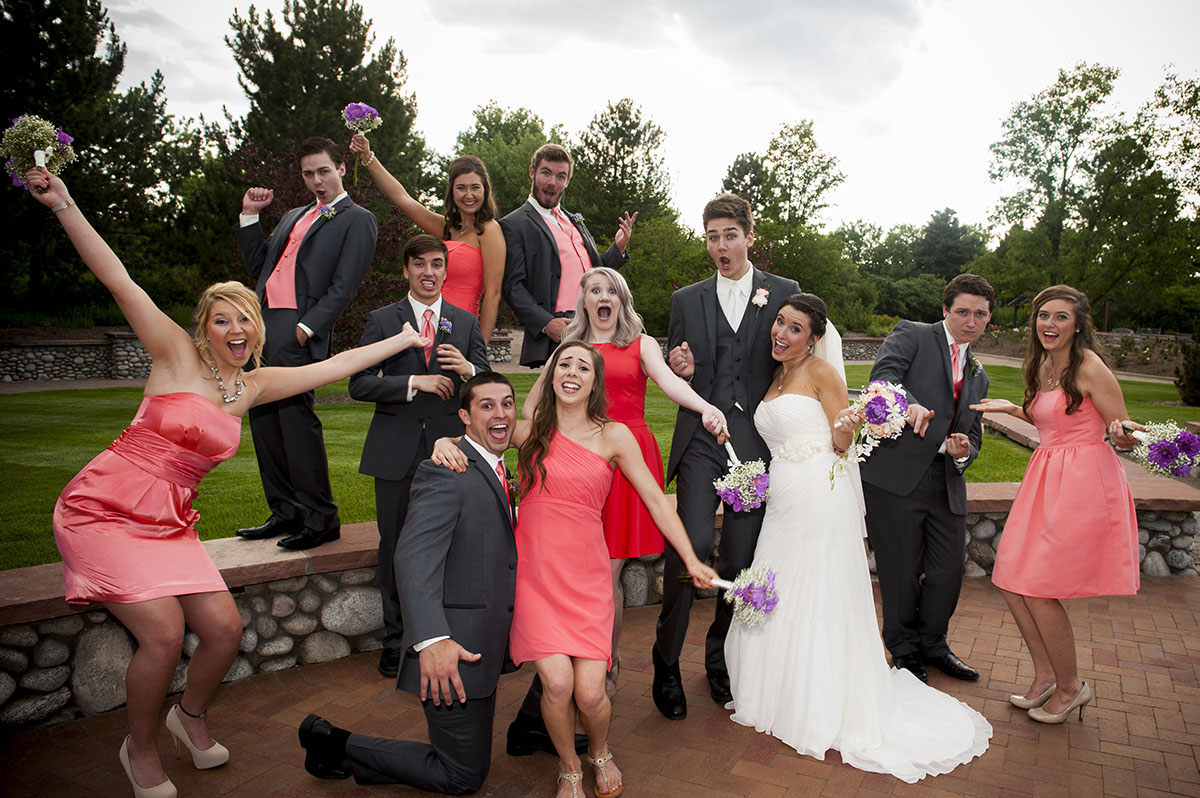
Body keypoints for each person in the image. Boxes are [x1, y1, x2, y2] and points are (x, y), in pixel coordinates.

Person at [27, 167, 426, 798]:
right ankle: (140, 750)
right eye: (221, 320)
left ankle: (188, 719)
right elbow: (117, 278)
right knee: (161, 636)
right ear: (203, 327)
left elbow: (335, 362)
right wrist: (65, 204)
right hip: (102, 510)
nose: (235, 329)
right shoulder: (173, 356)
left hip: (167, 525)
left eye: (245, 318)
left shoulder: (252, 386)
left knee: (223, 631)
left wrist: (401, 338)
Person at [724, 293, 992, 783]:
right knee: (782, 584)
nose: (781, 333)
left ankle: (818, 698)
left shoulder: (822, 375)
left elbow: (840, 443)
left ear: (815, 338)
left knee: (816, 591)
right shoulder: (778, 374)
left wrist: (849, 425)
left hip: (817, 496)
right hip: (783, 497)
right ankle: (776, 690)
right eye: (779, 322)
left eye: (795, 328)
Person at [433, 341, 718, 798]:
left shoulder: (615, 437)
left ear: (593, 380)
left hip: (587, 576)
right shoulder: (529, 432)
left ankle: (600, 751)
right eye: (563, 363)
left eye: (582, 366)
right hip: (535, 576)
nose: (571, 372)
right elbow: (475, 434)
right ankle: (569, 766)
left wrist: (690, 557)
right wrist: (442, 441)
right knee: (558, 683)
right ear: (551, 375)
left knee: (590, 693)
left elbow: (657, 502)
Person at [296, 373, 522, 794]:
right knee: (462, 777)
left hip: (486, 643)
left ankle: (532, 729)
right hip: (452, 648)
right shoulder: (446, 471)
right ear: (464, 418)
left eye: (507, 403)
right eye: (486, 405)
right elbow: (412, 556)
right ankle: (333, 742)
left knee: (468, 759)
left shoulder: (499, 466)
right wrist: (432, 639)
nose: (500, 413)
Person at [654, 193, 822, 721]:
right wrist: (677, 363)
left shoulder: (785, 293)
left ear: (750, 236)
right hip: (702, 440)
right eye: (712, 237)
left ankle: (720, 660)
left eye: (730, 235)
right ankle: (665, 666)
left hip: (756, 444)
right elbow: (676, 369)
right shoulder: (686, 299)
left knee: (742, 561)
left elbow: (804, 355)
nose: (721, 246)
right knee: (693, 548)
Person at [522, 267, 727, 693]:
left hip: (626, 461)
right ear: (583, 300)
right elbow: (531, 408)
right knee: (581, 567)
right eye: (594, 290)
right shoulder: (570, 347)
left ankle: (604, 661)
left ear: (621, 300)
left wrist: (706, 408)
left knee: (607, 570)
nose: (603, 297)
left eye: (611, 291)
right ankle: (570, 651)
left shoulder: (641, 344)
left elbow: (671, 384)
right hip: (579, 463)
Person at [972, 285, 1140, 724]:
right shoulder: (1044, 363)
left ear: (1079, 324)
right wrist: (1012, 407)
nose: (1049, 324)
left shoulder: (1089, 366)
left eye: (1061, 317)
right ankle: (1046, 674)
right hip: (1045, 477)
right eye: (1043, 315)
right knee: (1010, 577)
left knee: (1040, 588)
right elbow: (1052, 415)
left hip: (1082, 483)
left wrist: (1124, 430)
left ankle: (1071, 687)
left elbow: (1116, 425)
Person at [348, 234, 490, 678]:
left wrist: (467, 368)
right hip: (395, 454)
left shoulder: (464, 323)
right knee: (395, 546)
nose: (428, 272)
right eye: (419, 265)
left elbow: (487, 384)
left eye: (436, 264)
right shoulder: (382, 320)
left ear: (446, 271)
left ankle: (446, 631)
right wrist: (414, 385)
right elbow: (358, 383)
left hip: (451, 453)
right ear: (406, 270)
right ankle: (397, 640)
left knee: (451, 545)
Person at [235, 136, 378, 550]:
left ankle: (321, 518)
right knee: (263, 423)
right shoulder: (294, 215)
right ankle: (284, 512)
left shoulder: (358, 219)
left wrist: (307, 328)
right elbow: (259, 265)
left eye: (324, 171)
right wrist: (249, 215)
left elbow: (344, 284)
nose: (317, 180)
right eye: (309, 173)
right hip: (259, 327)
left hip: (296, 328)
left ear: (341, 169)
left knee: (296, 425)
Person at [859, 273, 994, 684]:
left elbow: (973, 432)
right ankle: (904, 649)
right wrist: (912, 406)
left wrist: (964, 451)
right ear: (945, 310)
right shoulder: (913, 335)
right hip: (897, 474)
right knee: (899, 569)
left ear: (989, 319)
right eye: (963, 311)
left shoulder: (978, 374)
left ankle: (934, 644)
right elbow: (884, 377)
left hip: (946, 480)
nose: (971, 321)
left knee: (947, 570)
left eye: (980, 314)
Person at [347, 135, 505, 341]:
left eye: (475, 187)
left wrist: (479, 349)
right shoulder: (446, 228)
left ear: (485, 189)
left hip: (460, 328)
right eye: (461, 188)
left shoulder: (489, 230)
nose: (469, 195)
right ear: (451, 191)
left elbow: (493, 294)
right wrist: (368, 157)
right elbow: (403, 199)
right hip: (426, 321)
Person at [501, 142, 637, 368]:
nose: (552, 182)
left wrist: (618, 248)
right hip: (561, 327)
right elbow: (513, 287)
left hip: (596, 323)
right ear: (532, 172)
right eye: (546, 173)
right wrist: (547, 323)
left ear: (567, 181)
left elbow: (594, 274)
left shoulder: (574, 221)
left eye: (560, 176)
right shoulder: (513, 224)